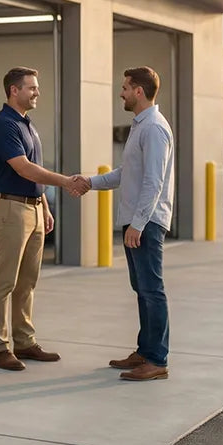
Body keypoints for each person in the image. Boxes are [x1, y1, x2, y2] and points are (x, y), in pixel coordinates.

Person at [0, 66, 88, 372]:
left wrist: (43, 205)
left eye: (36, 87)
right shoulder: (4, 125)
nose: (37, 92)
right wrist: (67, 182)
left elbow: (35, 170)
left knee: (27, 282)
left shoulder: (28, 125)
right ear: (13, 91)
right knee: (5, 281)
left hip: (31, 208)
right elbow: (24, 168)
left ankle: (25, 342)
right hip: (10, 209)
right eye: (31, 87)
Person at [76, 67, 174, 382]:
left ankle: (157, 360)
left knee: (152, 290)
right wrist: (89, 181)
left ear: (139, 92)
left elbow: (153, 182)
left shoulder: (154, 128)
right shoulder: (141, 126)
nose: (121, 93)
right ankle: (145, 352)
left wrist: (139, 224)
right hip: (135, 221)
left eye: (125, 88)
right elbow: (125, 172)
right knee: (142, 289)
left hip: (145, 223)